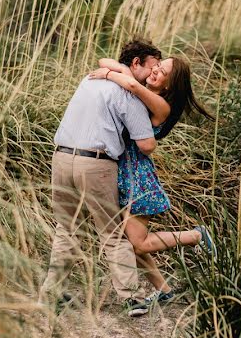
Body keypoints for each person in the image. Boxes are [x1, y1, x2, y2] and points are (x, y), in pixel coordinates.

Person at [89, 49, 215, 316]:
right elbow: (104, 61)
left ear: (170, 84)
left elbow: (132, 83)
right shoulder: (143, 96)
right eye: (157, 66)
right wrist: (118, 70)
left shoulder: (161, 106)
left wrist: (113, 74)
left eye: (163, 71)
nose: (156, 71)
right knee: (127, 240)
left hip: (138, 178)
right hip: (121, 172)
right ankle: (165, 289)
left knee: (137, 243)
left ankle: (195, 236)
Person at [39, 40, 162, 316]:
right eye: (152, 67)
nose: (153, 74)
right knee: (112, 232)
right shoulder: (130, 95)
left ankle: (50, 293)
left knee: (67, 228)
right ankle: (133, 299)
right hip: (95, 164)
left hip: (60, 157)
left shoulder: (90, 79)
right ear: (135, 64)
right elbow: (147, 145)